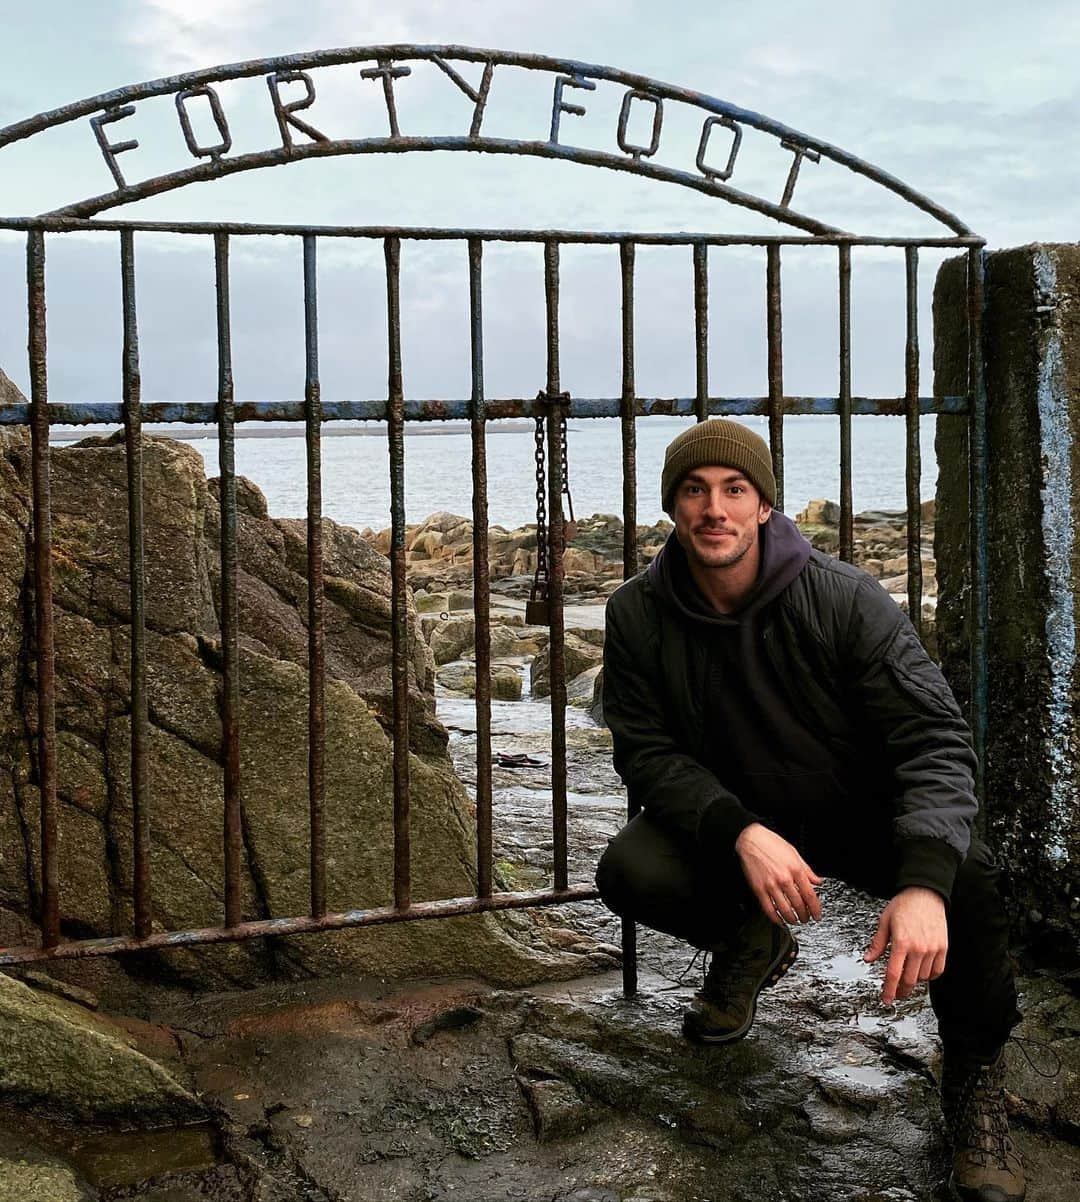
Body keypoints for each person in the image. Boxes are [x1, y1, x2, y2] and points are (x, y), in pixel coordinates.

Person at [595, 419, 1024, 1202]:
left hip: (862, 812)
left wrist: (922, 881)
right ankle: (750, 942)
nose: (713, 508)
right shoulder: (636, 615)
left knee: (967, 883)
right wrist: (742, 832)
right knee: (632, 868)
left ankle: (973, 1080)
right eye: (695, 491)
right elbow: (647, 753)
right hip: (747, 821)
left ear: (764, 507)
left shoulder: (844, 599)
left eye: (735, 490)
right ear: (673, 508)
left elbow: (933, 737)